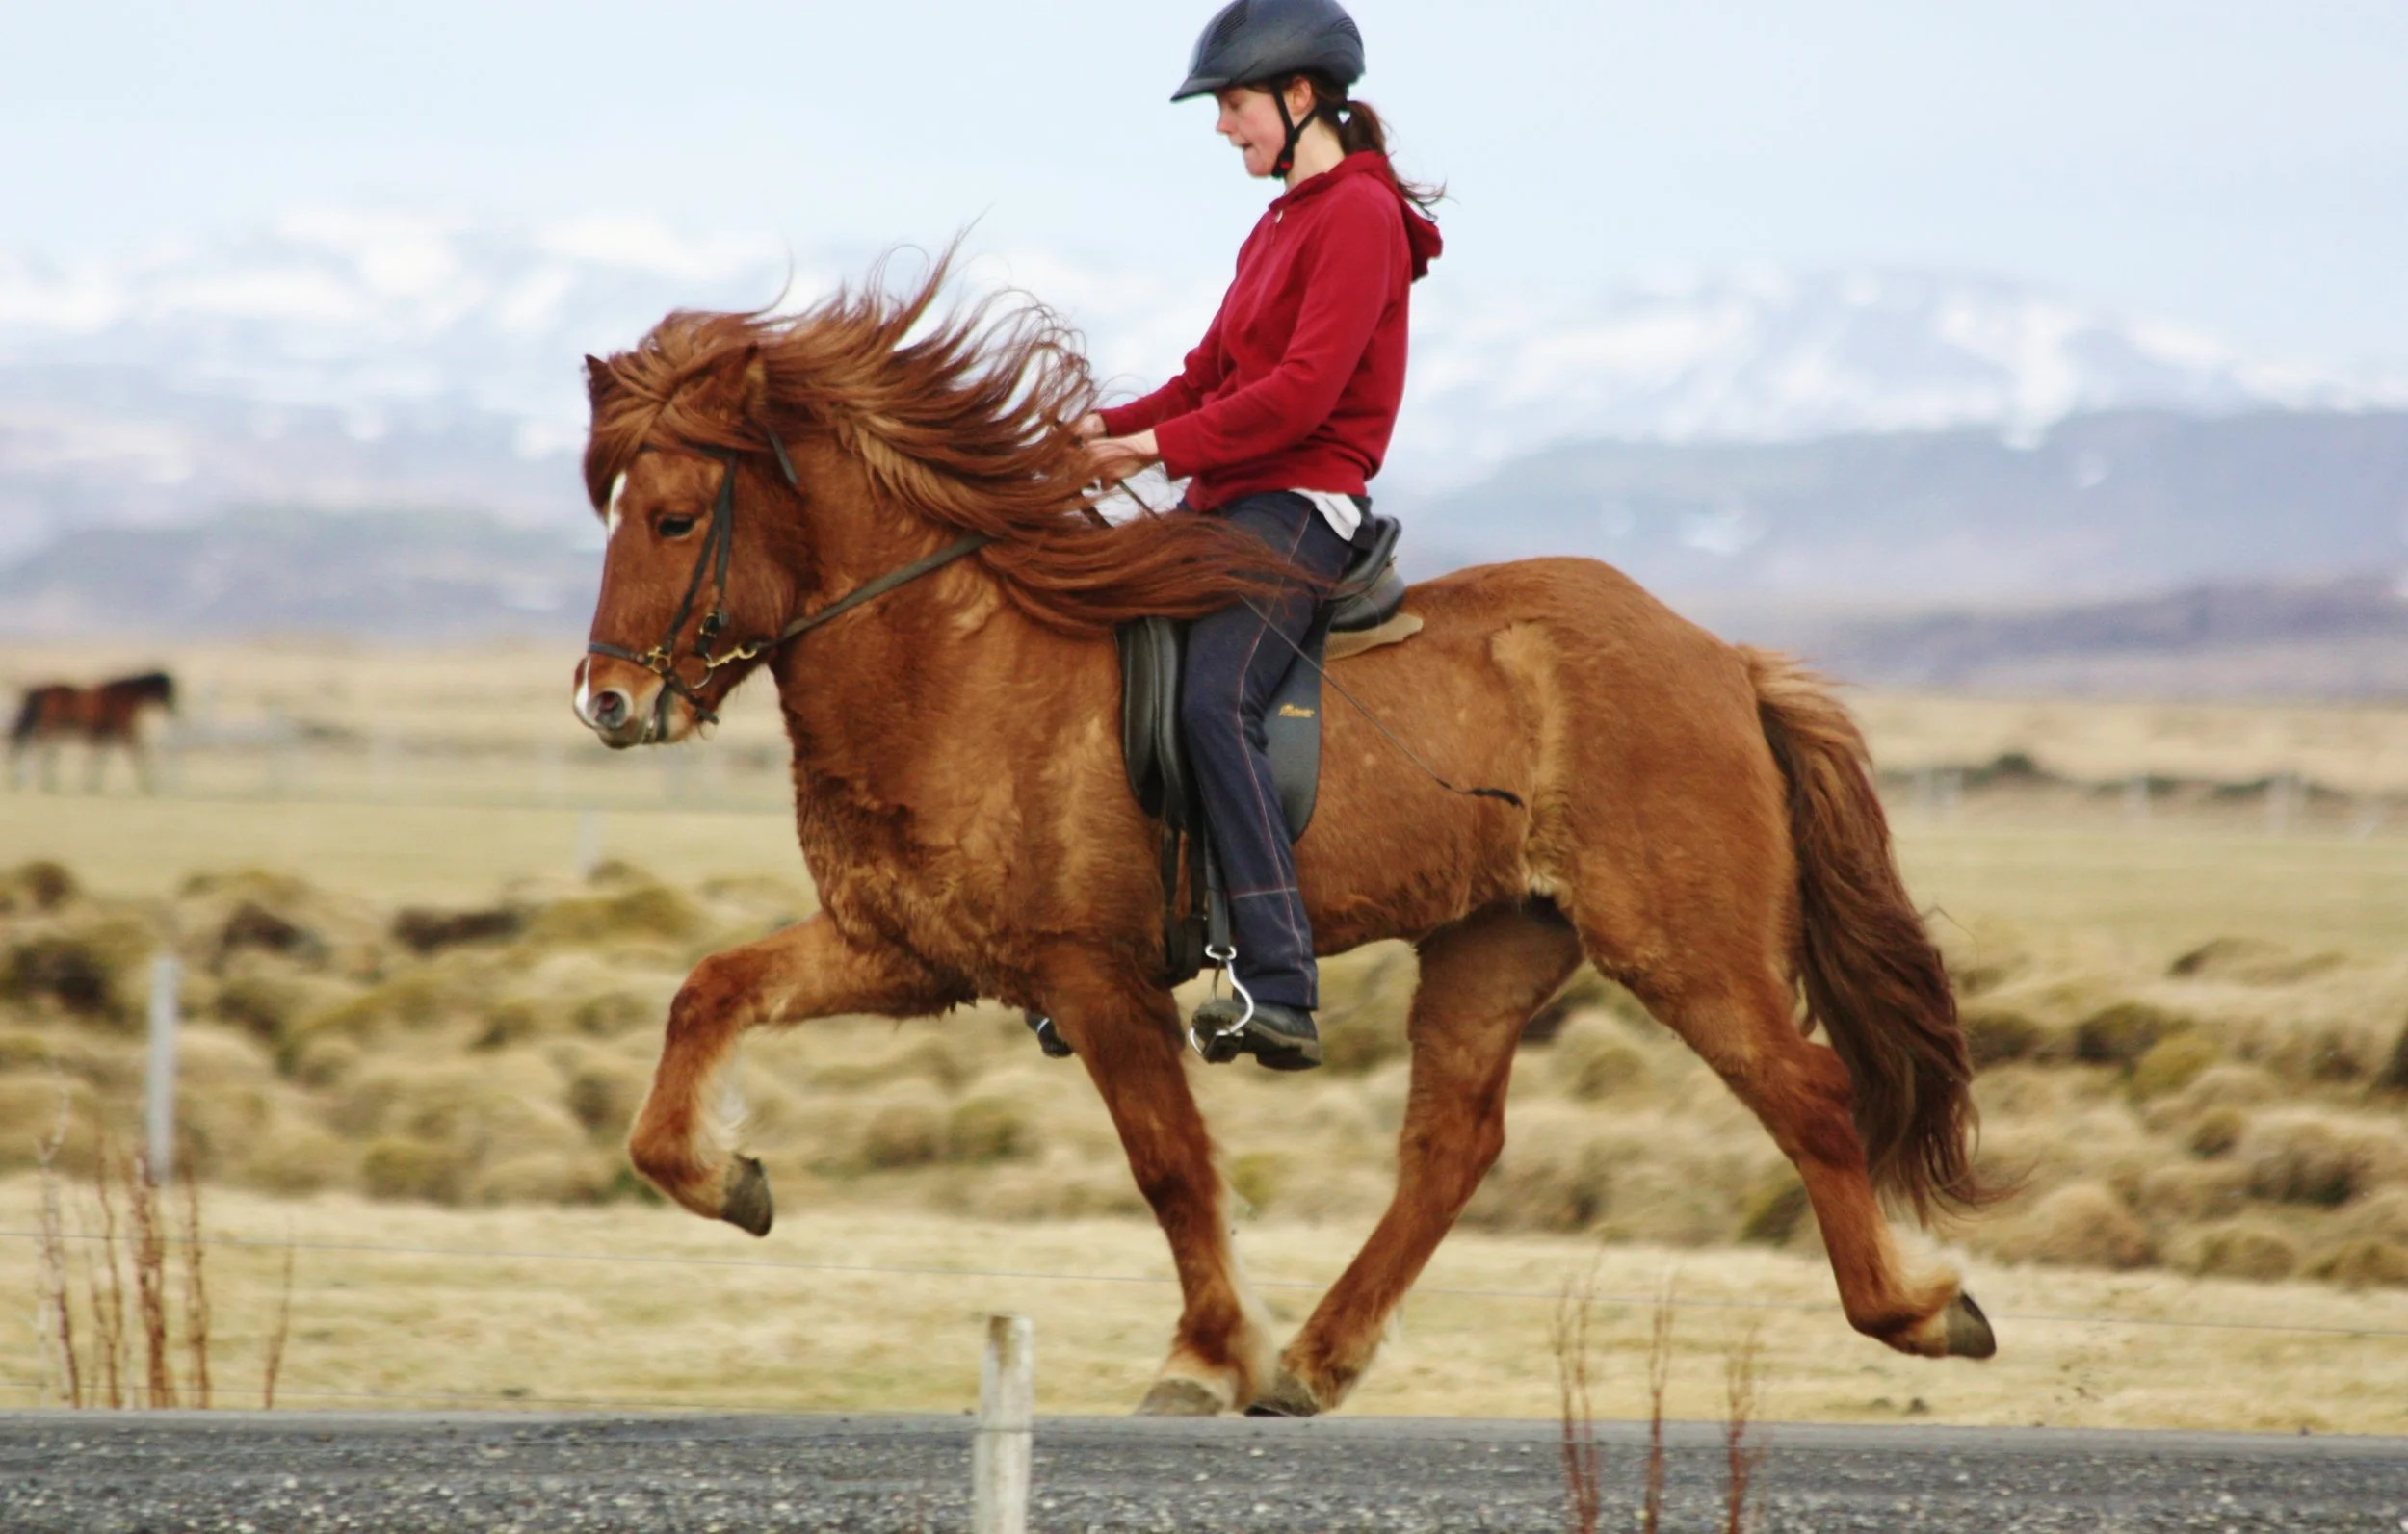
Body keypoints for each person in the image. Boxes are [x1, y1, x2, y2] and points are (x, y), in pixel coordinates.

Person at [1079, 0, 1443, 1071]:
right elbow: (1209, 376)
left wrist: (1148, 453)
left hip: (1298, 503)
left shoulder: (1357, 219)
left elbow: (1293, 400)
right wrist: (1089, 429)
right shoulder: (1280, 219)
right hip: (1225, 500)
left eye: (1232, 105)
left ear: (1297, 99)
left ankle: (1279, 984)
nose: (1221, 127)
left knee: (1209, 701)